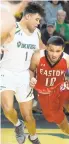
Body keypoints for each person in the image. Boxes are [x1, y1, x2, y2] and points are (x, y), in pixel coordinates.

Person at [0, 2, 44, 144]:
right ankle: (18, 125)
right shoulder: (12, 28)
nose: (38, 23)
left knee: (28, 116)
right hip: (6, 72)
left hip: (24, 74)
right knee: (7, 109)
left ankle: (33, 136)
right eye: (37, 19)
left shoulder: (36, 33)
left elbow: (41, 52)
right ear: (28, 16)